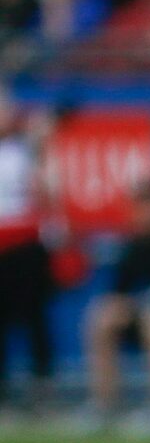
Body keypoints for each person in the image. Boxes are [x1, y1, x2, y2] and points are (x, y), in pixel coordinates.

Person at [81, 179, 150, 430]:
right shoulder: (135, 244)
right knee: (101, 316)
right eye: (138, 207)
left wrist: (147, 305)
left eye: (148, 206)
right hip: (141, 313)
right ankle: (105, 405)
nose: (142, 214)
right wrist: (127, 306)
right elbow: (119, 291)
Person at [0, 90, 55, 415]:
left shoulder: (28, 150)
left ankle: (42, 386)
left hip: (25, 243)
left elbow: (45, 192)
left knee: (35, 316)